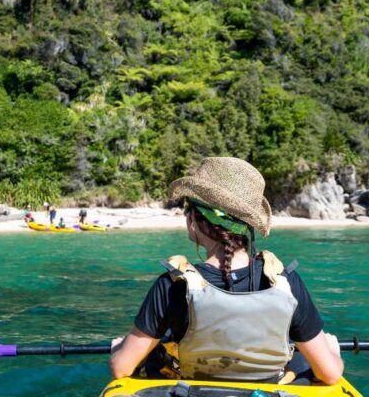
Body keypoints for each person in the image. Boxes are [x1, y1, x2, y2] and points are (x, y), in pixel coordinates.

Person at [109, 157, 343, 385]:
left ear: (195, 219)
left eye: (187, 208)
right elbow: (330, 374)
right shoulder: (285, 282)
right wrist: (332, 351)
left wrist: (118, 349)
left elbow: (122, 368)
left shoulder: (172, 285)